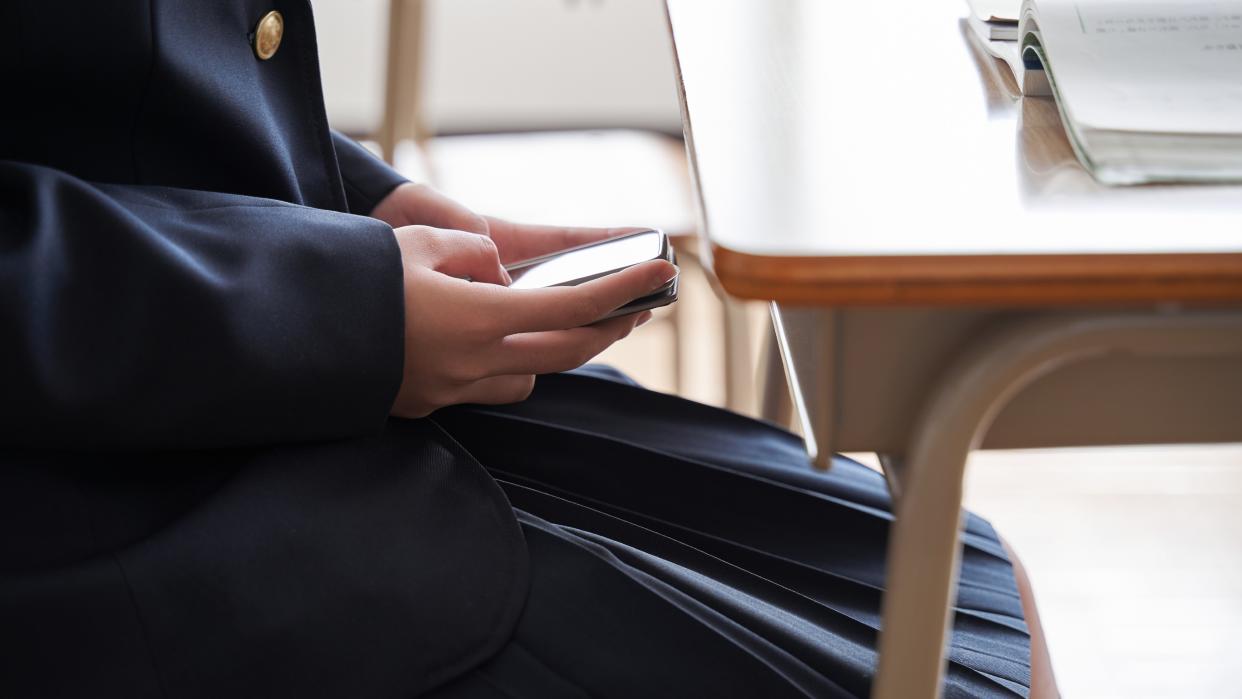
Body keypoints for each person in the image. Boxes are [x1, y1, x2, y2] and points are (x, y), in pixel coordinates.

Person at [0, 3, 1054, 697]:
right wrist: (339, 305)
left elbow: (117, 89)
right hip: (102, 504)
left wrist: (376, 208)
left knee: (956, 569)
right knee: (934, 663)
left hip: (280, 362)